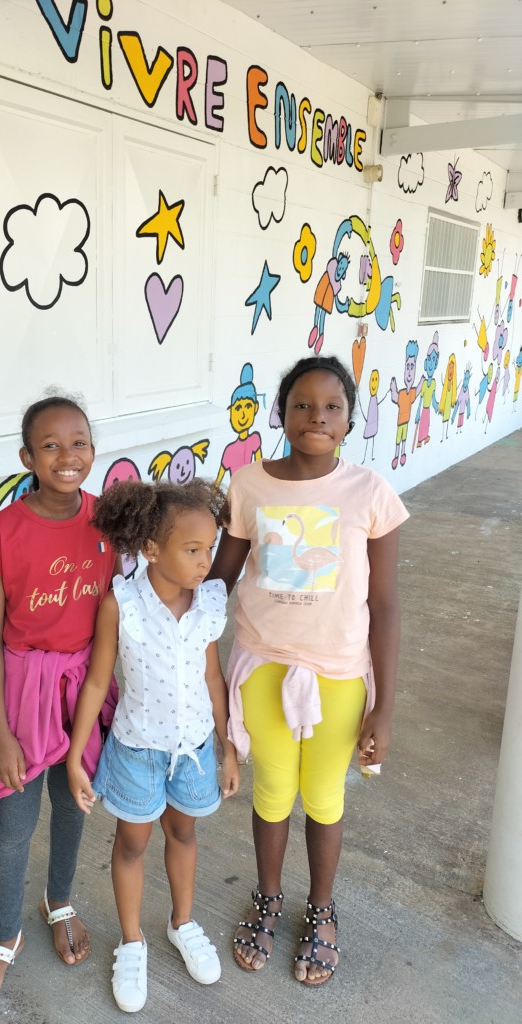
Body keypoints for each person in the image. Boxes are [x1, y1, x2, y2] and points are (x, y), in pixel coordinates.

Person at [209, 355, 408, 987]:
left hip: (339, 675)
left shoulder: (369, 492)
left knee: (324, 796)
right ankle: (267, 897)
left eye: (331, 407)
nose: (316, 416)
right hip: (263, 668)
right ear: (281, 413)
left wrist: (383, 706)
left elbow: (384, 604)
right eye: (302, 404)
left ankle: (321, 909)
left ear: (349, 420)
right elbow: (220, 578)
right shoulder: (249, 485)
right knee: (272, 792)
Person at [0, 395, 118, 1011]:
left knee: (73, 803)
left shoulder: (108, 521)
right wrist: (0, 732)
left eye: (78, 442)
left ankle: (60, 900)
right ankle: (6, 935)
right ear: (26, 457)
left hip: (84, 686)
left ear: (93, 450)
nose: (66, 455)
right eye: (49, 445)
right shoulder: (2, 533)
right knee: (16, 823)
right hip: (24, 693)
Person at [67, 479, 240, 1014]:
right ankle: (131, 941)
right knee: (132, 844)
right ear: (151, 549)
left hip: (193, 750)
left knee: (183, 832)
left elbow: (212, 677)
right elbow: (98, 681)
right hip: (137, 751)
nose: (205, 561)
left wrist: (228, 745)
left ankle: (181, 923)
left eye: (210, 548)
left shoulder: (208, 602)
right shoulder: (122, 604)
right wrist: (75, 756)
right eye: (192, 550)